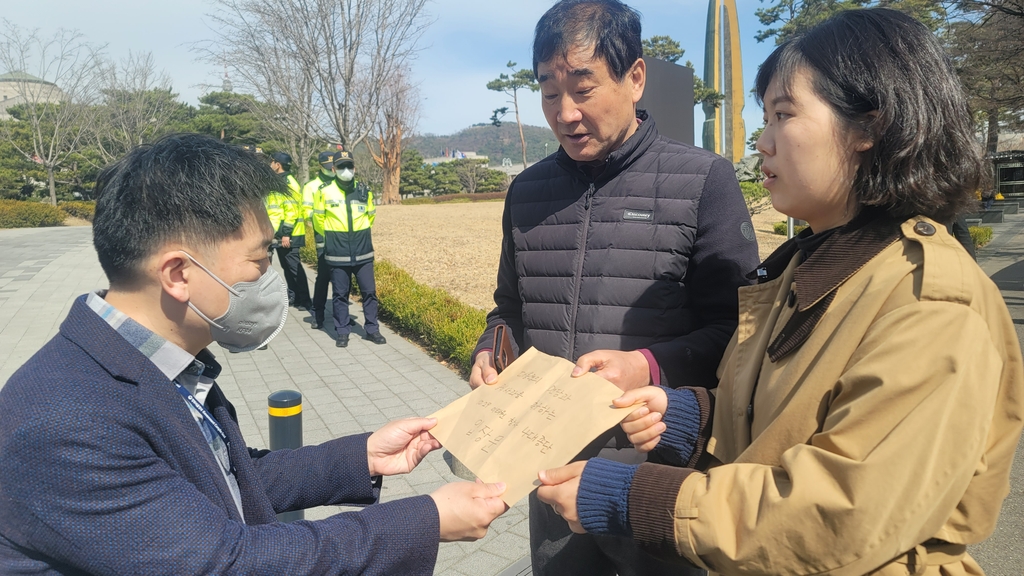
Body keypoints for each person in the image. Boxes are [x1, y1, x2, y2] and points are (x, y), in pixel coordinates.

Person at [536, 9, 1024, 575]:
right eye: (763, 117)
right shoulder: (807, 270)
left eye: (784, 115)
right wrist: (693, 416)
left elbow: (842, 514)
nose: (762, 143)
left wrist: (636, 498)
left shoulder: (929, 302)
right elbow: (790, 418)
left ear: (870, 126)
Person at [0, 134, 508, 575]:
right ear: (178, 273)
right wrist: (426, 520)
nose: (269, 277)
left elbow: (221, 477)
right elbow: (228, 564)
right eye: (259, 258)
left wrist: (360, 456)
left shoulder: (156, 361)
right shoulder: (65, 423)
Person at [468, 1, 759, 574]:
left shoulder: (703, 180)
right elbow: (509, 308)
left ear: (635, 77)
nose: (566, 113)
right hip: (551, 469)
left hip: (660, 475)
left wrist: (650, 365)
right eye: (550, 94)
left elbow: (743, 333)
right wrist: (491, 345)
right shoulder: (527, 192)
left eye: (583, 89)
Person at [310, 150, 386, 348]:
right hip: (337, 253)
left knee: (369, 293)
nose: (346, 170)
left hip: (363, 252)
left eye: (349, 166)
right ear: (333, 169)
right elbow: (318, 220)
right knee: (340, 295)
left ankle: (372, 329)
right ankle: (342, 331)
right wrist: (333, 238)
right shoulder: (324, 192)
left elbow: (371, 216)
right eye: (341, 166)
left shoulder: (364, 191)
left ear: (354, 168)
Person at [268, 151, 312, 310]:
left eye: (272, 161)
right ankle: (294, 296)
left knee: (294, 268)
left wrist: (286, 233)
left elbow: (292, 210)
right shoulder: (279, 181)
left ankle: (305, 300)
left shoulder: (289, 183)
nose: (270, 164)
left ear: (277, 164)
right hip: (280, 233)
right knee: (287, 267)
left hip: (290, 233)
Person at [304, 150, 336, 330]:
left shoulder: (341, 184)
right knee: (323, 277)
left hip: (341, 238)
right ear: (320, 167)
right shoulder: (311, 187)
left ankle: (341, 314)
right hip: (323, 235)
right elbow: (308, 212)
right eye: (327, 167)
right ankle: (318, 314)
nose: (331, 170)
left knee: (342, 279)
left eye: (333, 167)